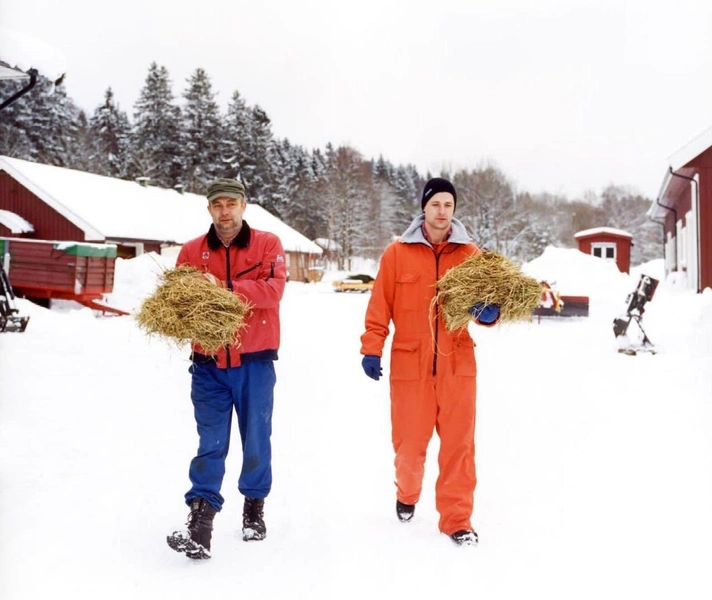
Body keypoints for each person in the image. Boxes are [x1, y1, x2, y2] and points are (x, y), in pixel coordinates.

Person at [360, 177, 499, 546]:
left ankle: (457, 520)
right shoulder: (396, 253)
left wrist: (487, 313)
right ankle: (407, 494)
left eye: (448, 205)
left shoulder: (470, 255)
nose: (441, 211)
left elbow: (489, 306)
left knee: (459, 446)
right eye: (435, 204)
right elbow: (379, 307)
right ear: (424, 207)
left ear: (454, 210)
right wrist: (372, 347)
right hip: (410, 364)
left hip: (457, 364)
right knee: (408, 448)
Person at [166, 178, 287, 559]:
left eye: (231, 203)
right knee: (210, 443)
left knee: (256, 439)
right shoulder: (191, 251)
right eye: (217, 204)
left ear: (244, 205)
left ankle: (254, 508)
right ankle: (200, 521)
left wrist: (224, 286)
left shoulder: (268, 244)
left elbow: (273, 291)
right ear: (209, 209)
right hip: (208, 365)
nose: (225, 210)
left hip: (255, 362)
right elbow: (178, 302)